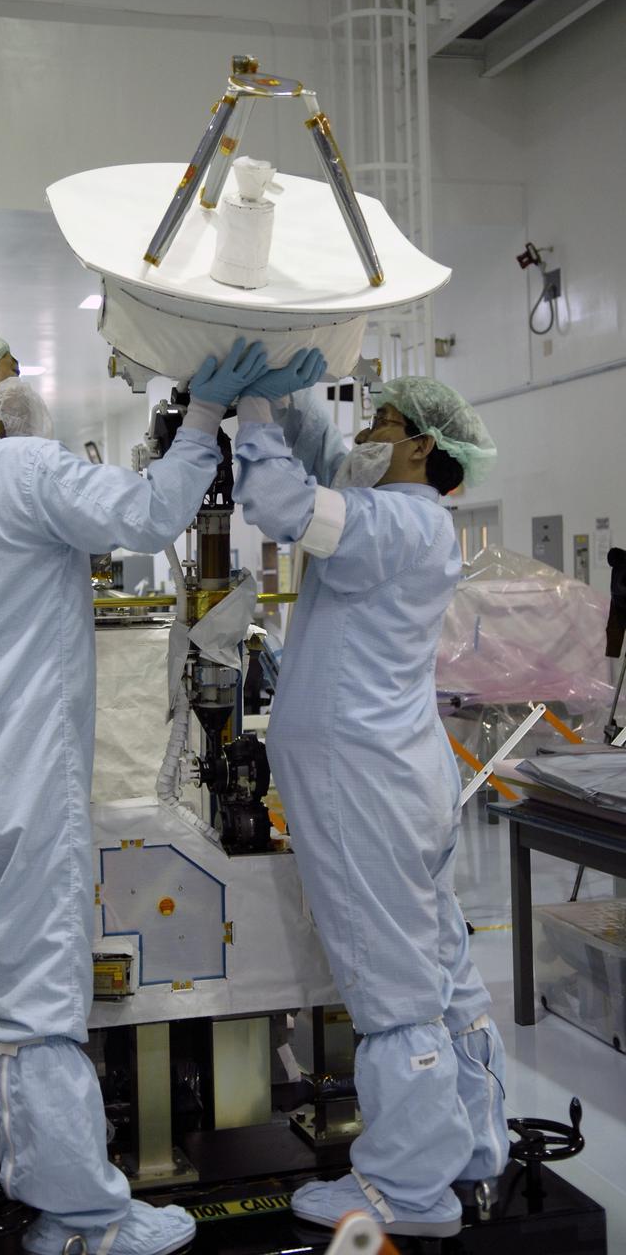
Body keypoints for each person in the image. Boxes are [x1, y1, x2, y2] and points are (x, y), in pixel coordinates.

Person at [0, 323, 267, 1255]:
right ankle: (78, 1218)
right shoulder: (22, 470)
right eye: (10, 370)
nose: (23, 384)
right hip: (14, 779)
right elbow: (146, 515)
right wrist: (203, 416)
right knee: (36, 1003)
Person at [231, 353, 507, 1240]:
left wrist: (249, 416)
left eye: (382, 425)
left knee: (391, 986)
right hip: (400, 769)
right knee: (440, 968)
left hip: (363, 783)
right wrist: (289, 394)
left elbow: (283, 504)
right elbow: (324, 473)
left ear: (422, 446)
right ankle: (472, 1145)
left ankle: (404, 1190)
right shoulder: (412, 521)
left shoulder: (393, 521)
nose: (367, 437)